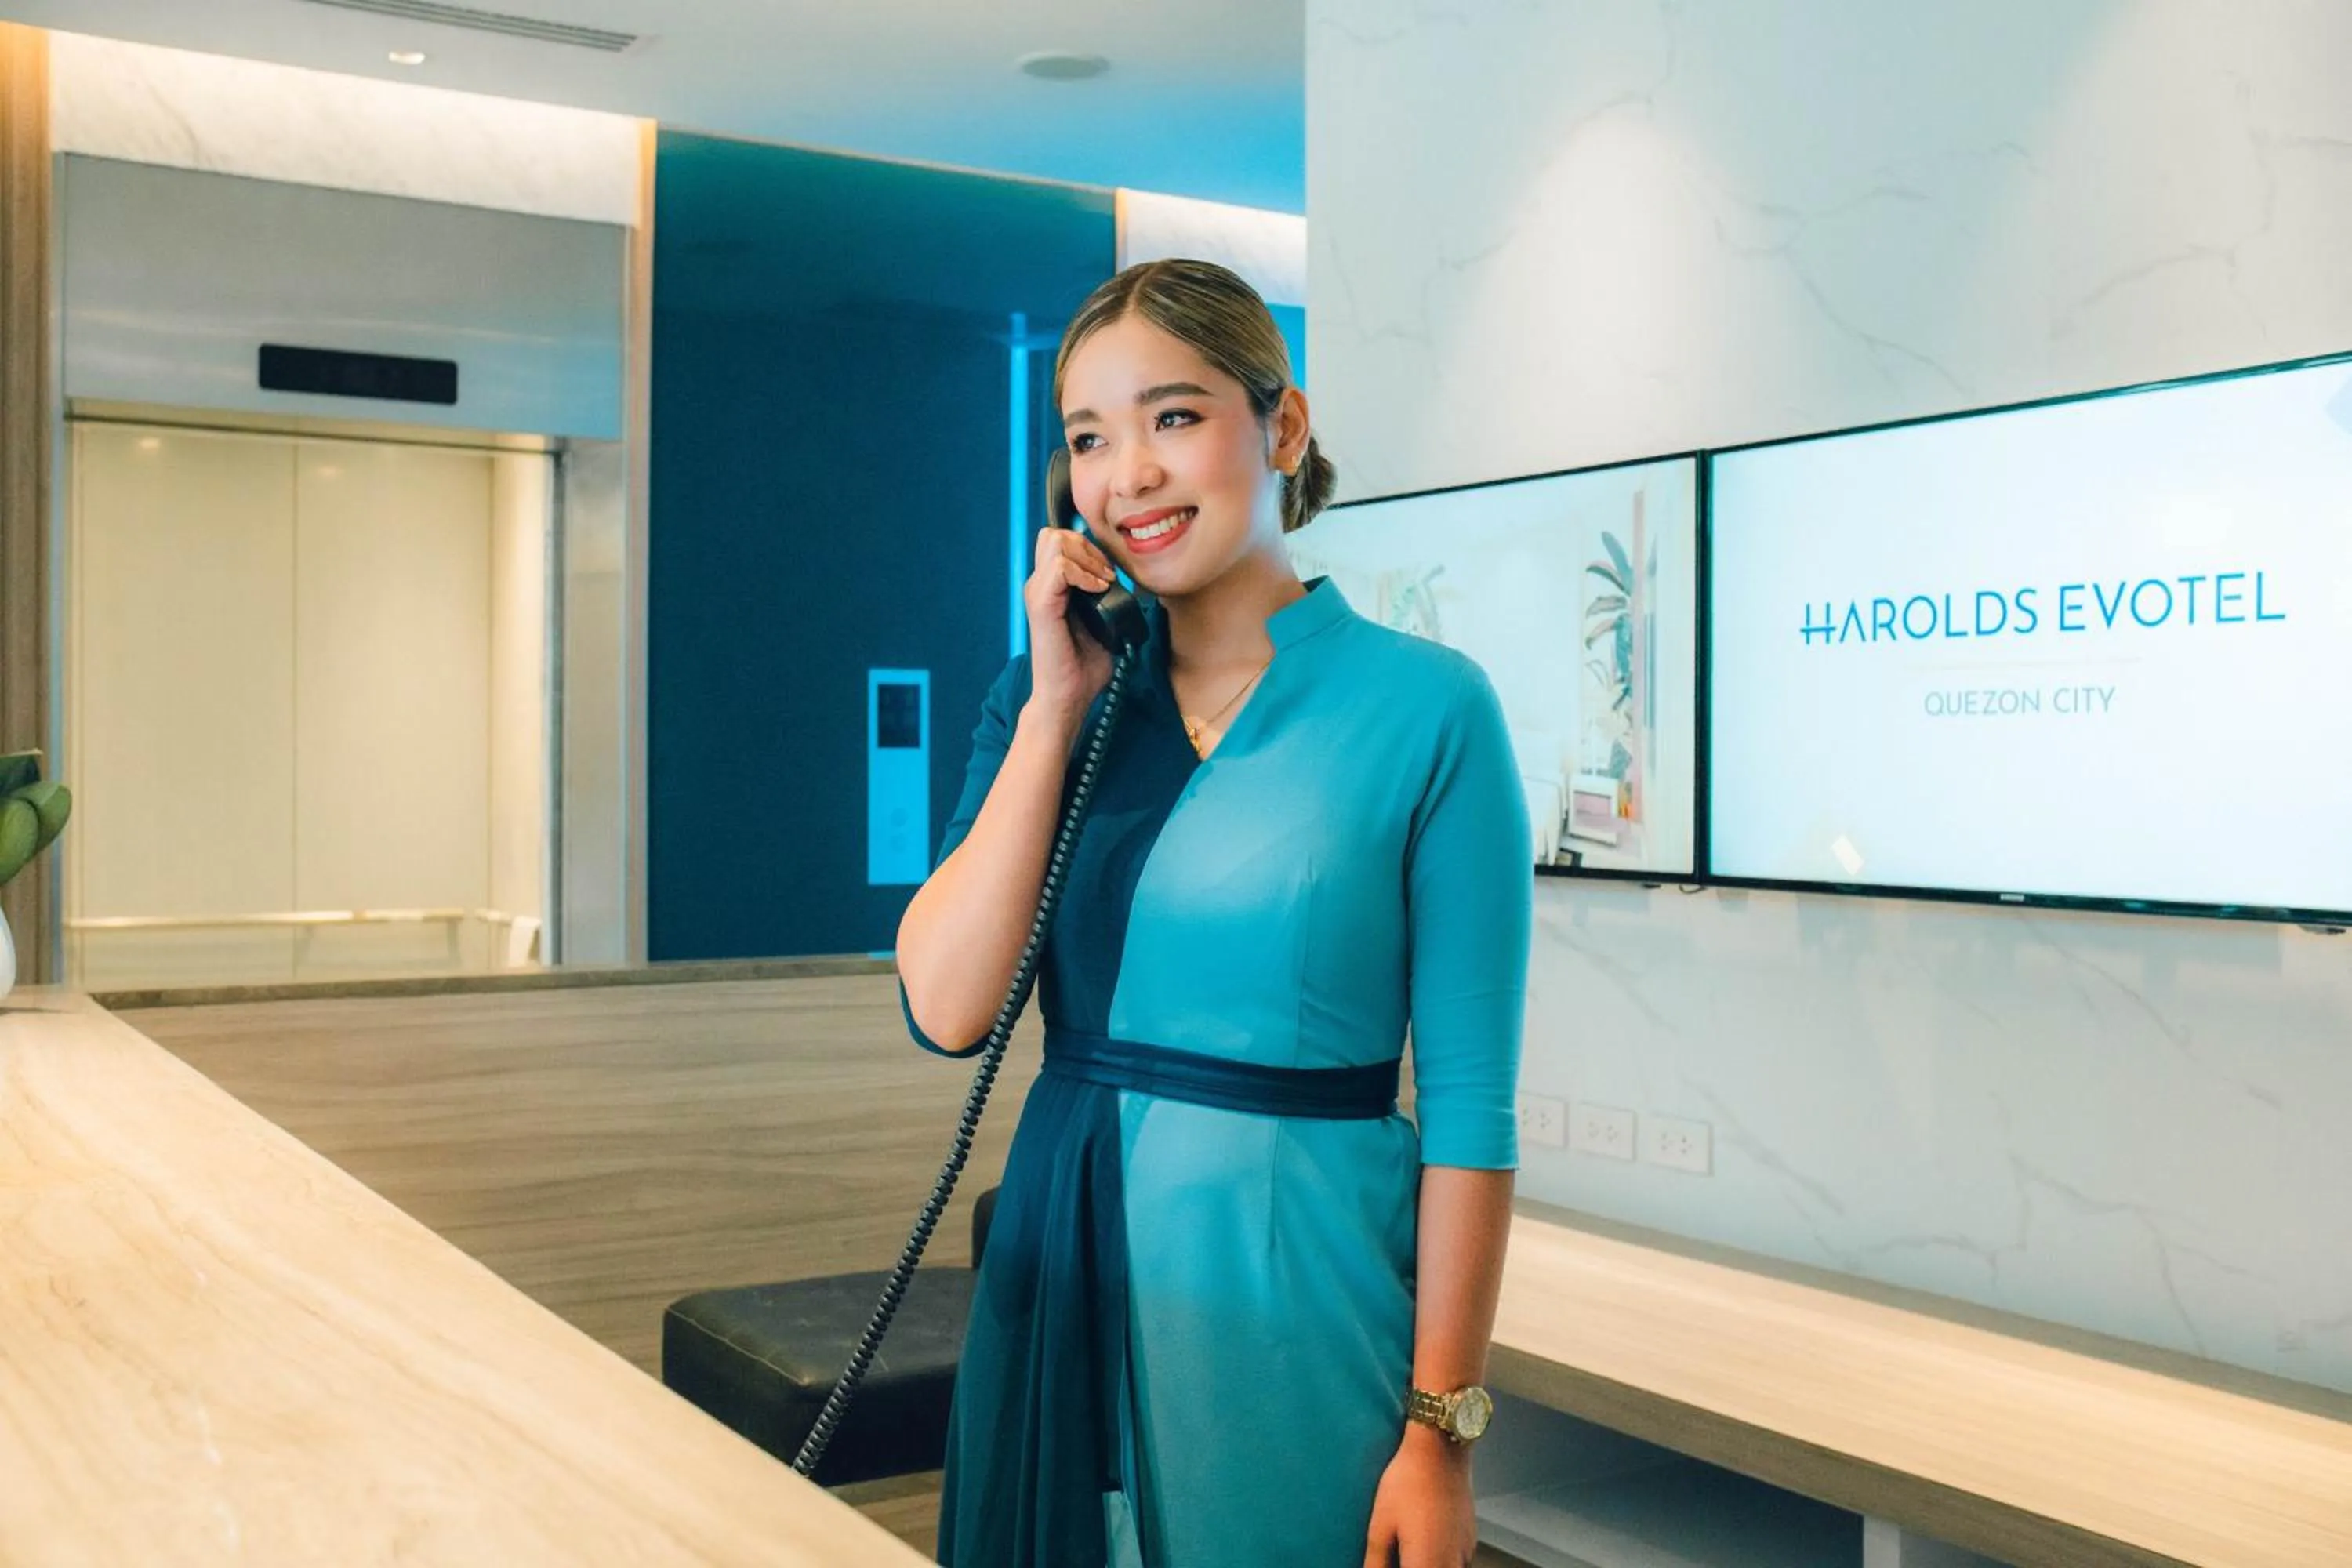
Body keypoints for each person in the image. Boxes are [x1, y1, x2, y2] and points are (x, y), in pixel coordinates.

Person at [895, 258, 1530, 1568]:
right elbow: (949, 1006)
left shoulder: (1430, 709)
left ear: (1281, 428)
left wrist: (1440, 1435)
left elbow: (1470, 1110)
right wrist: (1056, 708)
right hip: (1058, 1272)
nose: (1128, 474)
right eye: (1088, 438)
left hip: (1295, 1292)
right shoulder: (1050, 697)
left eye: (1173, 417)